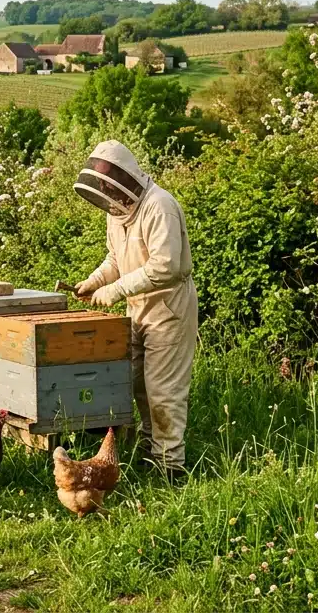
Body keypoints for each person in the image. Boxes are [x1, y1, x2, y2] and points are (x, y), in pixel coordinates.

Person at [71, 141, 198, 480]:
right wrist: (94, 281)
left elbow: (165, 267)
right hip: (137, 308)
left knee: (163, 390)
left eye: (114, 186)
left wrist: (115, 289)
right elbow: (116, 258)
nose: (112, 195)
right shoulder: (118, 213)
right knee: (136, 383)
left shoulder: (159, 206)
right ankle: (147, 452)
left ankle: (171, 466)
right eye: (106, 188)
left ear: (127, 177)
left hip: (168, 308)